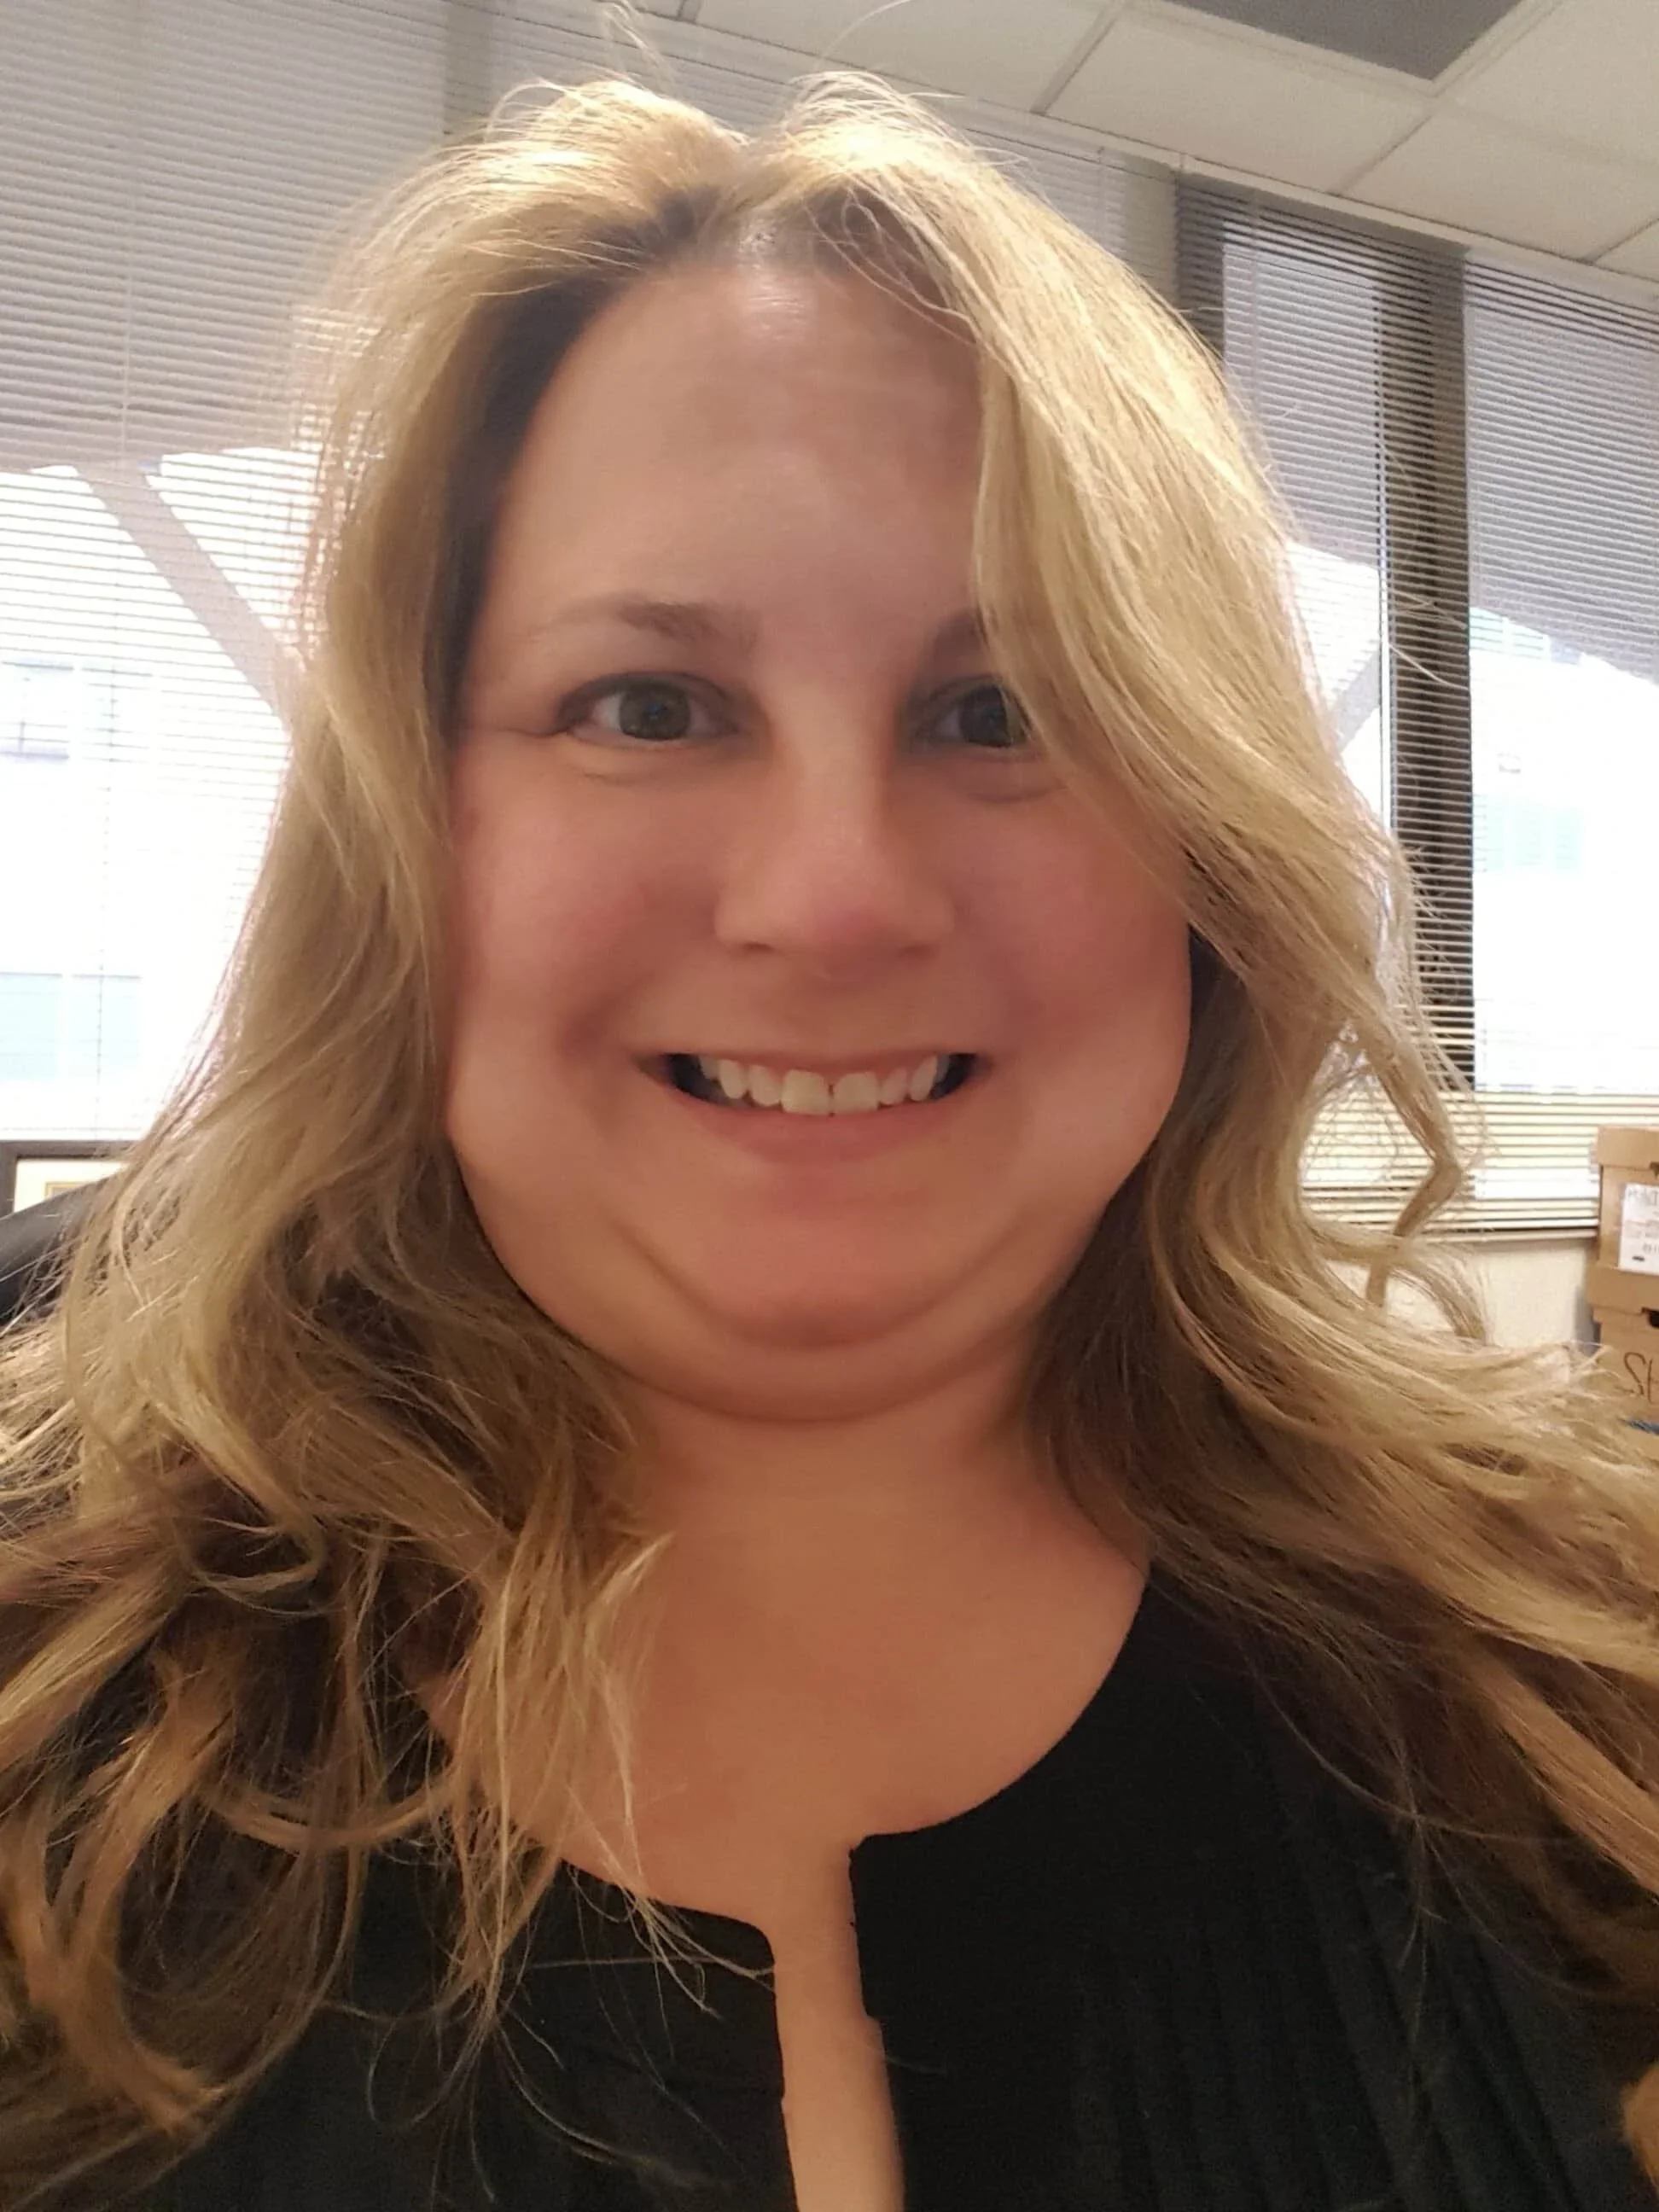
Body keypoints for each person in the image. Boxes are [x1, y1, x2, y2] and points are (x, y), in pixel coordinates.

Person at [0, 65, 1655, 2212]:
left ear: (1207, 857)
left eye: (1004, 713)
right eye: (650, 707)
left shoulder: (1573, 1681)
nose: (836, 897)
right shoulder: (45, 1633)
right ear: (416, 829)